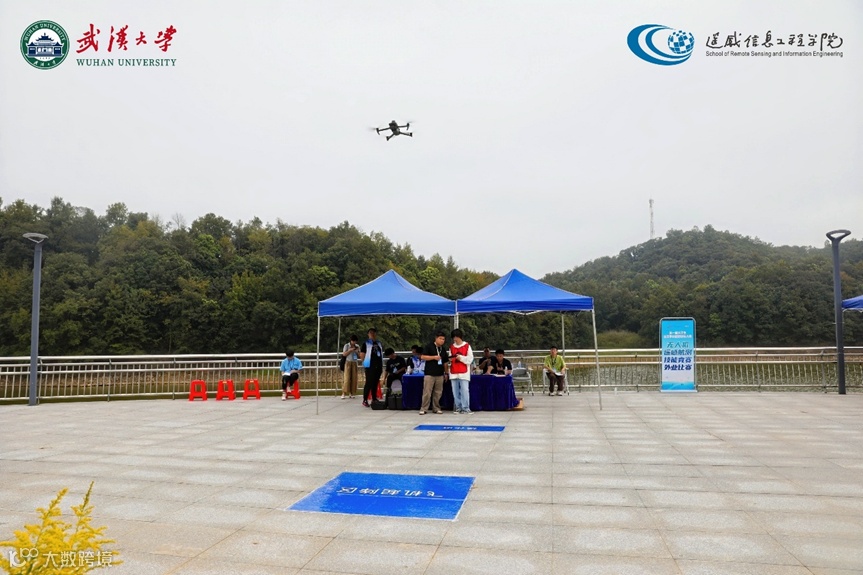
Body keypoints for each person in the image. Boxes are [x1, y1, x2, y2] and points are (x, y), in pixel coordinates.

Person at [419, 331, 449, 415]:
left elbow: (445, 362)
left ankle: (436, 407)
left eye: (443, 339)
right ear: (436, 338)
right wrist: (434, 357)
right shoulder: (429, 346)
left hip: (440, 374)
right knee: (427, 392)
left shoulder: (443, 349)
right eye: (440, 339)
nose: (442, 341)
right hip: (429, 373)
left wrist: (446, 373)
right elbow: (423, 357)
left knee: (438, 392)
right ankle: (424, 408)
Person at [449, 328, 474, 414]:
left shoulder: (467, 346)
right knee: (455, 392)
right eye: (453, 337)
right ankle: (458, 407)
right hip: (453, 372)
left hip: (464, 372)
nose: (455, 339)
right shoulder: (451, 347)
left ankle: (465, 408)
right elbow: (450, 357)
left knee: (464, 390)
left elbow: (470, 359)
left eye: (456, 337)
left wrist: (461, 358)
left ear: (460, 337)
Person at [359, 328, 384, 407]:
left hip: (378, 365)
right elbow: (362, 355)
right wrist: (365, 362)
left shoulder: (379, 343)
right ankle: (365, 399)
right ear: (368, 334)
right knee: (369, 382)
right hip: (370, 365)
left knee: (375, 382)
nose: (372, 334)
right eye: (370, 333)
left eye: (373, 333)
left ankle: (374, 398)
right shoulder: (366, 344)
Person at [340, 335, 360, 399]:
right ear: (351, 340)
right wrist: (350, 350)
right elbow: (344, 354)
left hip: (354, 363)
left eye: (355, 341)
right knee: (347, 378)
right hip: (347, 362)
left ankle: (352, 393)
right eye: (353, 341)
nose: (354, 343)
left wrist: (357, 351)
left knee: (354, 378)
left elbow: (359, 355)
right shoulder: (346, 346)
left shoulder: (357, 346)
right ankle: (343, 393)